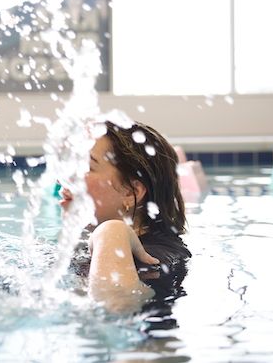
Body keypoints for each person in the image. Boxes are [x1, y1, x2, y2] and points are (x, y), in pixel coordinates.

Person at [61, 120, 191, 313]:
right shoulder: (81, 244)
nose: (64, 176)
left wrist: (111, 232)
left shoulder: (157, 260)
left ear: (131, 192)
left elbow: (111, 316)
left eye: (84, 166)